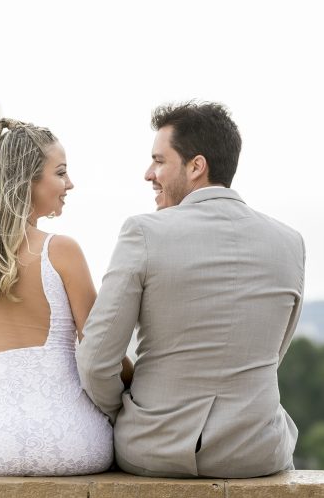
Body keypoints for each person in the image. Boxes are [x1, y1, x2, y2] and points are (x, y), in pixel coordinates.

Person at [78, 101, 305, 478]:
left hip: (156, 448)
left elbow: (96, 359)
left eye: (159, 161)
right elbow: (272, 352)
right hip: (256, 450)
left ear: (196, 166)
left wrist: (133, 413)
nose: (148, 173)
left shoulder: (144, 232)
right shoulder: (289, 242)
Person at [0, 117, 114, 475]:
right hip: (69, 440)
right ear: (28, 180)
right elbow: (101, 349)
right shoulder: (61, 251)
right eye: (61, 173)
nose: (70, 184)